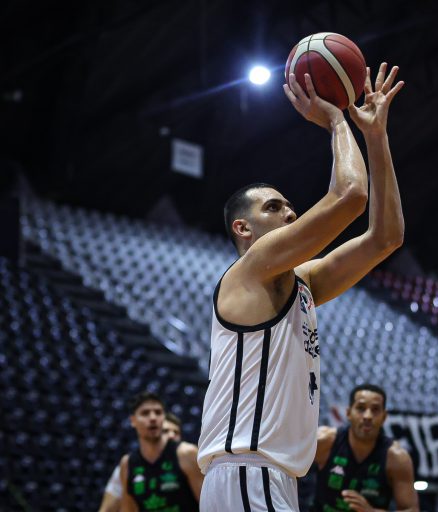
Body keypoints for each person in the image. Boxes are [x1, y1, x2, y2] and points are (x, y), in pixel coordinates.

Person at [197, 63, 405, 511]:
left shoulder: (301, 282)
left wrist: (376, 137)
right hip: (248, 471)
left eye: (290, 207)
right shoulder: (251, 270)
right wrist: (336, 119)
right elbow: (350, 195)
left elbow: (386, 238)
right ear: (243, 228)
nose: (290, 214)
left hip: (267, 476)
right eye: (274, 208)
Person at [313, 384, 418, 512]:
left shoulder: (397, 458)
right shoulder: (325, 441)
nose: (368, 416)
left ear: (384, 417)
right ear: (348, 413)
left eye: (375, 409)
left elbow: (411, 509)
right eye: (361, 408)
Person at [119, 392, 203, 511]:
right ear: (133, 420)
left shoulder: (186, 453)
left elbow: (209, 505)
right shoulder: (127, 464)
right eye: (145, 413)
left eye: (158, 412)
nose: (153, 418)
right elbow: (128, 509)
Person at [98, 411, 187, 512]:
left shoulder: (191, 460)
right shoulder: (128, 467)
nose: (171, 435)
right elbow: (106, 510)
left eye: (176, 432)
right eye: (165, 431)